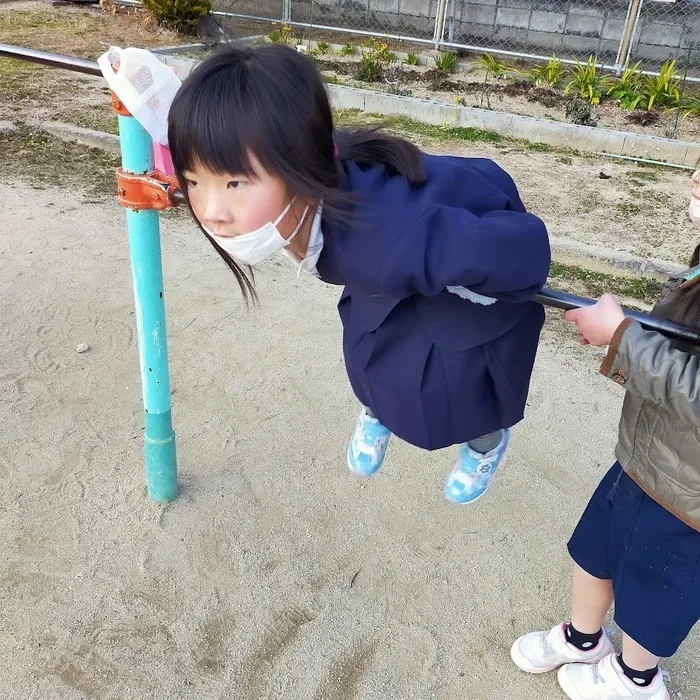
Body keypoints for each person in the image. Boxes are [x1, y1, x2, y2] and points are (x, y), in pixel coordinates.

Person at [166, 45, 550, 504]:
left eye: (235, 183)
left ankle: (485, 442)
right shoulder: (309, 177)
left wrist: (490, 286)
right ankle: (378, 409)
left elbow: (523, 249)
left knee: (466, 381)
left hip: (466, 268)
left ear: (301, 165)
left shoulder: (395, 239)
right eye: (192, 180)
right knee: (370, 348)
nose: (210, 211)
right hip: (390, 267)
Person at [511, 227, 700, 698]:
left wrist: (623, 339)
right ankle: (583, 639)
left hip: (689, 499)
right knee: (594, 550)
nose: (695, 185)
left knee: (656, 589)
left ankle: (636, 679)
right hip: (644, 456)